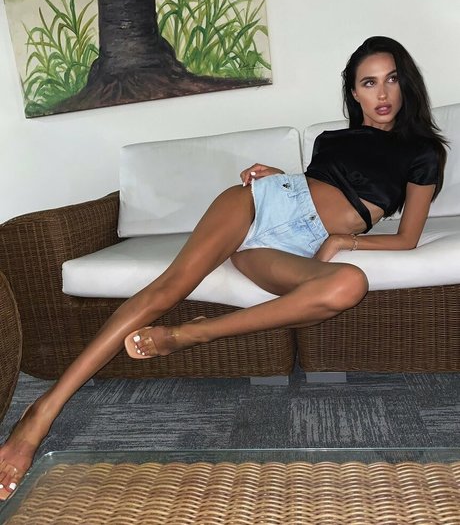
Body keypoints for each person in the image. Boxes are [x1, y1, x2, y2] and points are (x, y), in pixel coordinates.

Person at [0, 36, 447, 499]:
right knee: (164, 290)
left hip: (290, 246)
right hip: (255, 205)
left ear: (405, 83)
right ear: (353, 92)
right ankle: (42, 412)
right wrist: (280, 178)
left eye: (391, 79)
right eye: (369, 83)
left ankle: (193, 333)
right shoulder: (332, 139)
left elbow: (407, 238)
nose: (382, 94)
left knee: (348, 284)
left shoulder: (423, 152)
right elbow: (314, 188)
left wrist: (343, 240)